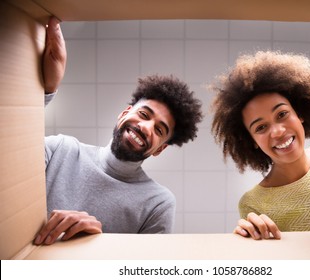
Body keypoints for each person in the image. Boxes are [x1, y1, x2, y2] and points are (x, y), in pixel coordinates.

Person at [35, 17, 203, 245]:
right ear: (124, 113)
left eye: (159, 129)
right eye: (144, 114)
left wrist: (99, 245)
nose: (146, 127)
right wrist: (46, 90)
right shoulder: (60, 150)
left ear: (160, 149)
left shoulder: (158, 203)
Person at [210, 50, 310, 240]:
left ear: (299, 113)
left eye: (282, 114)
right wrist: (249, 245)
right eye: (261, 127)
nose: (277, 131)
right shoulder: (253, 204)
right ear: (252, 140)